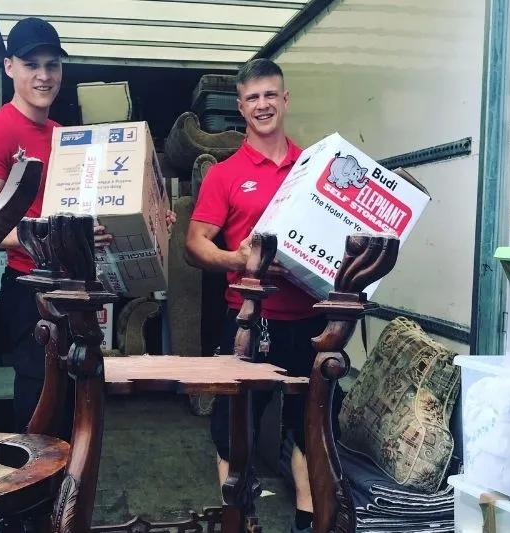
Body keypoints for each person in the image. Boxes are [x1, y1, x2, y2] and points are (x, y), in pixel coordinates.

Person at [0, 17, 174, 436]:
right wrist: (51, 240)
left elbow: (84, 214)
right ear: (9, 66)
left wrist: (148, 215)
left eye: (52, 65)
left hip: (76, 289)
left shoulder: (63, 137)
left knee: (78, 401)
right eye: (31, 64)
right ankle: (32, 499)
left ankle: (70, 495)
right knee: (41, 407)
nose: (43, 75)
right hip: (31, 289)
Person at [185, 58, 324, 533]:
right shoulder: (224, 174)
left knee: (310, 419)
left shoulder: (314, 168)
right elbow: (195, 244)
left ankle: (309, 517)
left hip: (310, 316)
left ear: (285, 100)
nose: (262, 105)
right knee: (231, 420)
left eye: (270, 95)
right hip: (249, 318)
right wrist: (237, 260)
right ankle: (237, 518)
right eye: (252, 98)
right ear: (241, 108)